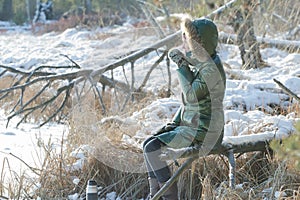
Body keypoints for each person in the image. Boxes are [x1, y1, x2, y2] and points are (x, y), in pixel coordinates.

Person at [143, 17, 226, 200]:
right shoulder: (206, 61)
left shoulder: (211, 71)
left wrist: (181, 65)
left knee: (152, 148)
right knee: (148, 144)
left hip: (204, 130)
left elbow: (190, 96)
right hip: (195, 123)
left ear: (198, 43)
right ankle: (154, 194)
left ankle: (168, 197)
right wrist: (173, 124)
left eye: (186, 39)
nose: (184, 43)